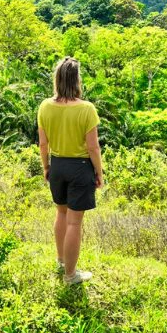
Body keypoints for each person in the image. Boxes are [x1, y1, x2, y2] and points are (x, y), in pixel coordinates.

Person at [37, 56, 103, 285]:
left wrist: (46, 166)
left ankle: (62, 261)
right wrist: (99, 173)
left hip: (57, 166)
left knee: (61, 214)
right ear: (77, 80)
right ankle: (71, 275)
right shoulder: (86, 109)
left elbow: (43, 144)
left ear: (57, 79)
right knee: (74, 222)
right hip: (80, 168)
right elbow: (93, 147)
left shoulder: (45, 106)